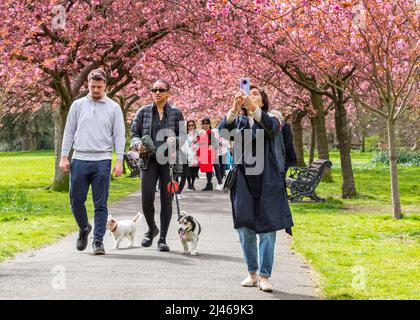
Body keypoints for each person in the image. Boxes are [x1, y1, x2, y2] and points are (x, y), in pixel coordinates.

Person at [219, 85, 293, 292]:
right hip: (243, 179)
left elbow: (270, 128)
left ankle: (264, 275)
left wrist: (252, 108)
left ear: (263, 100)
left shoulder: (273, 120)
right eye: (247, 94)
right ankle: (252, 273)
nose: (250, 97)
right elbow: (223, 131)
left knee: (268, 229)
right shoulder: (240, 122)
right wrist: (234, 108)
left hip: (267, 180)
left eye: (255, 94)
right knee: (244, 227)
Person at [59, 68, 125, 255]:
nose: (96, 90)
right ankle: (83, 227)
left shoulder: (113, 107)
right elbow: (69, 132)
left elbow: (119, 136)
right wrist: (64, 156)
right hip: (80, 158)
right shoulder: (77, 105)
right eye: (92, 86)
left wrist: (119, 160)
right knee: (76, 200)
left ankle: (98, 241)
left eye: (99, 87)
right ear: (88, 84)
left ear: (105, 86)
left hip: (102, 160)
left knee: (100, 203)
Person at [130, 79, 184, 252]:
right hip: (148, 161)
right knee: (146, 199)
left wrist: (175, 140)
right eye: (154, 90)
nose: (157, 93)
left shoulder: (176, 113)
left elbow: (183, 137)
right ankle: (152, 228)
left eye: (161, 90)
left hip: (167, 162)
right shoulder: (143, 112)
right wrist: (138, 144)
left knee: (166, 200)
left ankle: (162, 239)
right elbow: (134, 133)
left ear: (168, 92)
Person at [197, 118, 224, 191]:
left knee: (216, 168)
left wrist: (211, 147)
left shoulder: (210, 132)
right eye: (204, 123)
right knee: (208, 169)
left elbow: (215, 144)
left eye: (207, 123)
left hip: (211, 153)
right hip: (205, 153)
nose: (205, 125)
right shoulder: (201, 133)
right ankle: (209, 185)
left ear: (209, 125)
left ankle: (220, 183)